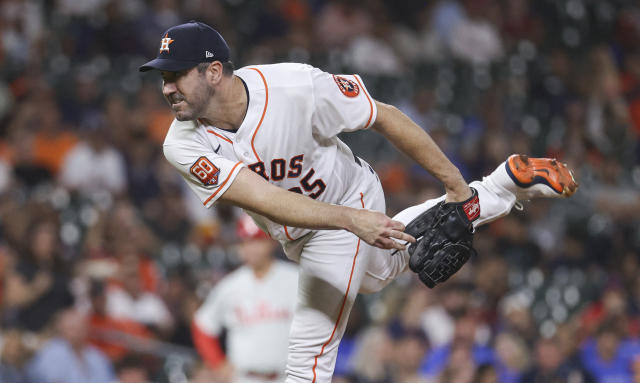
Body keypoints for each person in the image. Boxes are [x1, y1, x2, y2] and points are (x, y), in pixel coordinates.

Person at [139, 21, 578, 382]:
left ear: (213, 72)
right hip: (315, 224)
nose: (167, 88)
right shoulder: (181, 144)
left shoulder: (294, 86)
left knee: (307, 362)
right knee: (384, 271)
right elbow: (266, 200)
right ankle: (500, 187)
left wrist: (453, 184)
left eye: (175, 74)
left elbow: (383, 116)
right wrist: (363, 220)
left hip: (348, 197)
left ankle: (481, 193)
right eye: (163, 77)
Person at [191, 213, 298, 382]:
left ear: (271, 242)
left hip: (288, 377)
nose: (251, 248)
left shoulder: (296, 279)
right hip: (245, 377)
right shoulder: (229, 286)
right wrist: (218, 363)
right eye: (245, 242)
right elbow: (202, 326)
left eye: (257, 240)